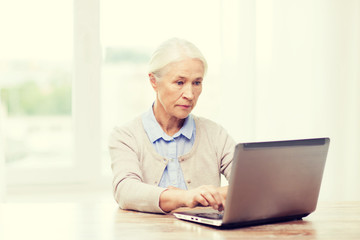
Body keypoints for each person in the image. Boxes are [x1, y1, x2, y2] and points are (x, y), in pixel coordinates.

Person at [109, 38, 236, 213]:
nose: (190, 94)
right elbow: (125, 190)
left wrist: (208, 195)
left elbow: (251, 183)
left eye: (197, 83)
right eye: (179, 82)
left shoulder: (215, 135)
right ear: (154, 81)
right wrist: (186, 197)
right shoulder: (126, 136)